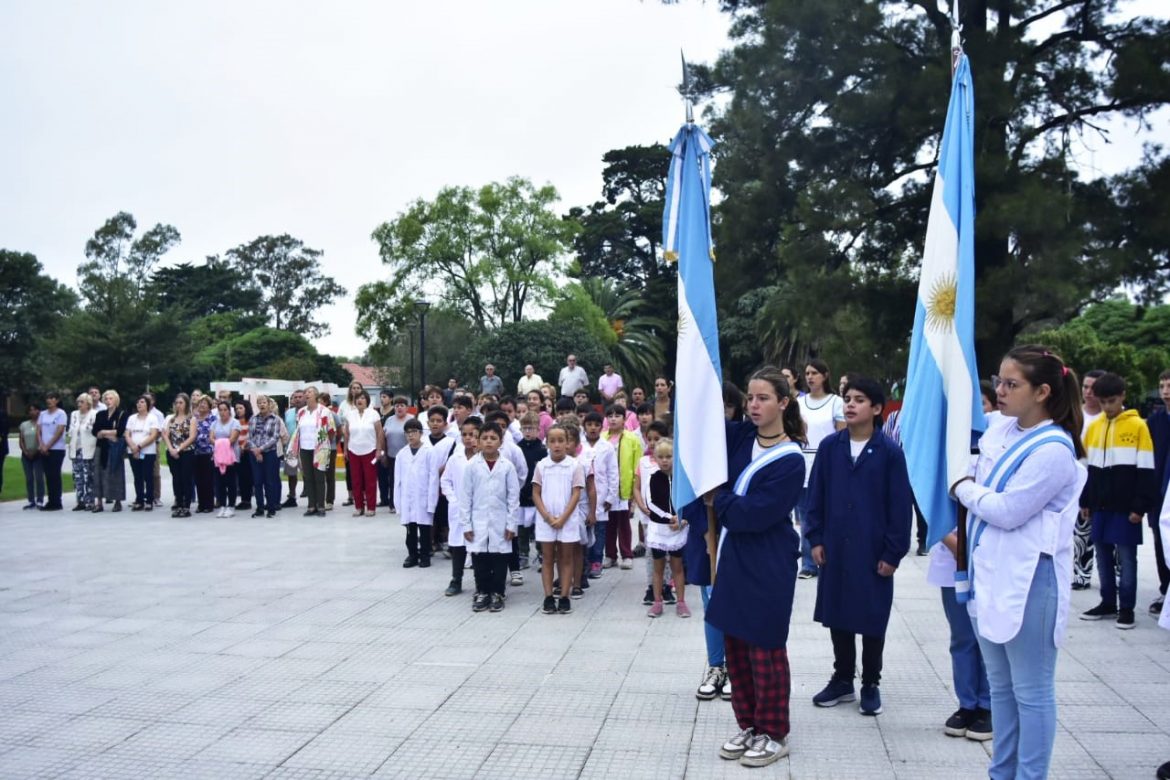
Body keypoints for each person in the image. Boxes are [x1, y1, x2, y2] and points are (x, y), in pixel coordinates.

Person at [950, 346, 1087, 780]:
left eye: (1012, 384)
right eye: (999, 381)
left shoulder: (1054, 449)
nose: (1000, 391)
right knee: (1002, 689)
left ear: (1043, 392)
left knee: (1032, 691)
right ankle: (1001, 772)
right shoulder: (1002, 429)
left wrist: (963, 488)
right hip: (992, 572)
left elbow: (1009, 511)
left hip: (1032, 578)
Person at [706, 366, 806, 768]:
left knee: (765, 646)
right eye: (750, 397)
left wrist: (719, 500)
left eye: (763, 398)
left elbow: (755, 513)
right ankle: (748, 724)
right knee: (736, 645)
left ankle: (774, 731)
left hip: (768, 560)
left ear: (783, 402)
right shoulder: (741, 437)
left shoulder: (792, 459)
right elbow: (703, 433)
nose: (753, 405)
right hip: (734, 555)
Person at [805, 377, 912, 717]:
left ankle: (870, 682)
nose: (850, 405)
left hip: (872, 549)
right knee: (838, 612)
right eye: (847, 399)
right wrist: (815, 538)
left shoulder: (890, 453)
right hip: (835, 546)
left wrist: (893, 552)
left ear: (877, 408)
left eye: (859, 400)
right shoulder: (830, 447)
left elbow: (900, 507)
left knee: (871, 615)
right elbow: (816, 495)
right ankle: (842, 678)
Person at [1078, 372, 1156, 629]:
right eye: (1102, 402)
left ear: (1122, 396)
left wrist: (1140, 506)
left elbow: (1146, 469)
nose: (1107, 407)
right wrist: (1085, 500)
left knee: (1127, 557)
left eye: (1111, 401)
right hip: (1100, 505)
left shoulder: (1138, 426)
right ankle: (1108, 602)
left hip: (1126, 507)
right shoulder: (1094, 427)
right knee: (1102, 555)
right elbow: (1086, 468)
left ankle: (1127, 608)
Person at [461, 422, 520, 613]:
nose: (488, 442)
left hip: (501, 520)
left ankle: (498, 592)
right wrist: (466, 524)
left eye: (493, 438)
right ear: (478, 441)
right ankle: (482, 591)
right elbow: (465, 497)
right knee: (480, 557)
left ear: (500, 442)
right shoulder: (472, 466)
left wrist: (511, 524)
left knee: (499, 557)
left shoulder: (507, 467)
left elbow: (513, 498)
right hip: (477, 519)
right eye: (484, 438)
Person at [796, 359, 846, 579]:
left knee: (830, 514)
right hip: (803, 464)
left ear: (825, 375)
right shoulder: (799, 403)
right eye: (807, 373)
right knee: (806, 516)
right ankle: (808, 563)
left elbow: (842, 435)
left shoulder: (836, 402)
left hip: (828, 464)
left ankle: (831, 557)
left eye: (814, 373)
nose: (810, 377)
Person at [532, 423, 585, 615]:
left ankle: (564, 596)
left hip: (567, 519)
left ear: (568, 443)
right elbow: (536, 493)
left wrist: (563, 518)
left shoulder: (574, 466)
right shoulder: (542, 465)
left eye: (561, 440)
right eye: (552, 441)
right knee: (547, 558)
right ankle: (548, 597)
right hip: (546, 519)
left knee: (566, 558)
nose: (557, 445)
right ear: (547, 443)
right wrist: (547, 516)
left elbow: (576, 493)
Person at [645, 438, 689, 618]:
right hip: (659, 529)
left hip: (678, 528)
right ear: (655, 458)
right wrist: (668, 517)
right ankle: (657, 602)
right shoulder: (653, 478)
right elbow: (650, 503)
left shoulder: (681, 478)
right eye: (661, 457)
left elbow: (689, 499)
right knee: (658, 568)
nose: (665, 460)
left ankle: (681, 602)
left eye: (669, 456)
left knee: (677, 567)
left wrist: (683, 518)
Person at [1072, 368, 1106, 590]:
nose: (1088, 392)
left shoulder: (1112, 416)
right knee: (1081, 532)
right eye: (1085, 387)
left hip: (1104, 478)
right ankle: (1081, 576)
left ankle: (1114, 578)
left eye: (1093, 388)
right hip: (1078, 478)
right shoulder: (1074, 414)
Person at [442, 416, 482, 596]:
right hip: (458, 509)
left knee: (477, 546)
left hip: (478, 509)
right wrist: (453, 500)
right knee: (458, 545)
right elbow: (445, 481)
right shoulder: (455, 458)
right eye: (464, 434)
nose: (468, 438)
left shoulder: (483, 459)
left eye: (472, 435)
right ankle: (456, 579)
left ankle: (480, 582)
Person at [602, 403, 640, 569]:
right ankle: (610, 555)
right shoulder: (602, 438)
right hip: (606, 488)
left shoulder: (632, 439)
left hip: (624, 487)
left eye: (617, 416)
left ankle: (627, 554)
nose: (613, 419)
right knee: (608, 523)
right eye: (610, 416)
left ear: (624, 419)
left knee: (624, 523)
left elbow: (637, 464)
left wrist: (634, 488)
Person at [580, 411, 617, 579]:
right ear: (584, 426)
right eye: (589, 425)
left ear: (602, 427)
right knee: (585, 528)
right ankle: (585, 562)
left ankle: (597, 561)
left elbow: (613, 473)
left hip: (601, 494)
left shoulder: (607, 447)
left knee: (600, 530)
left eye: (596, 425)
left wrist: (611, 497)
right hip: (583, 495)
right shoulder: (579, 445)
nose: (593, 428)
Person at [395, 417, 434, 567]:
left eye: (414, 431)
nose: (411, 435)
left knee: (424, 529)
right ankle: (412, 555)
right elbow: (397, 480)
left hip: (423, 496)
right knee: (410, 529)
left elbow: (433, 478)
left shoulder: (429, 452)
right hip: (407, 497)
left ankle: (425, 555)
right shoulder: (401, 454)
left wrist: (431, 501)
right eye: (407, 432)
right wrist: (398, 502)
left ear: (421, 433)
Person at [1147, 369, 1170, 615]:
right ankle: (1166, 590)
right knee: (1160, 542)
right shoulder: (1155, 421)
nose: (1165, 391)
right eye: (1162, 386)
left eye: (1169, 386)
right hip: (1158, 494)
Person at [344, 390, 385, 517]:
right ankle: (359, 507)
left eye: (362, 398)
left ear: (367, 400)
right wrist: (345, 450)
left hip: (370, 450)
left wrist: (378, 449)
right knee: (356, 480)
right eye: (357, 398)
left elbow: (379, 433)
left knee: (370, 480)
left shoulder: (373, 414)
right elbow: (347, 434)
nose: (359, 400)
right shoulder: (350, 415)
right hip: (353, 450)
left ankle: (371, 507)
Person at [515, 411, 548, 572]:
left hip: (537, 495)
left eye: (531, 428)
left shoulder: (542, 449)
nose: (528, 432)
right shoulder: (517, 448)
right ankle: (523, 554)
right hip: (521, 494)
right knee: (522, 528)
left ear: (538, 430)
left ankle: (542, 555)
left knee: (539, 528)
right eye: (525, 428)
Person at [296, 387, 335, 518]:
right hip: (304, 448)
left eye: (310, 392)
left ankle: (321, 506)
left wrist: (324, 444)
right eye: (305, 392)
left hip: (319, 448)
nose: (306, 394)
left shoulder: (324, 411)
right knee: (308, 477)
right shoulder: (301, 412)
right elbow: (298, 430)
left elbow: (331, 430)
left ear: (316, 395)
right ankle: (311, 505)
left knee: (319, 477)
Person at [247, 395, 283, 518]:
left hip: (269, 453)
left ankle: (271, 508)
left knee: (269, 481)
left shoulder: (275, 419)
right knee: (257, 482)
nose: (262, 405)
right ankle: (260, 508)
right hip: (255, 453)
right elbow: (249, 437)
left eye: (264, 402)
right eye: (259, 403)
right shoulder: (253, 419)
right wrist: (256, 451)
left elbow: (275, 437)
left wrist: (261, 449)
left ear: (268, 404)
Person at [92, 391, 127, 513]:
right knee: (98, 473)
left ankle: (117, 501)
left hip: (115, 448)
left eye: (111, 398)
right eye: (106, 399)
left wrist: (104, 432)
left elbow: (120, 430)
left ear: (116, 400)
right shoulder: (100, 414)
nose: (108, 401)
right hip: (101, 447)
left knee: (115, 472)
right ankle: (99, 502)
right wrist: (108, 433)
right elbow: (95, 430)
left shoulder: (122, 414)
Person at [124, 395, 161, 512]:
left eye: (142, 402)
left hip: (147, 452)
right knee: (137, 476)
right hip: (133, 451)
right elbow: (127, 434)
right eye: (138, 402)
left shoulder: (152, 418)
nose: (139, 404)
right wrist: (133, 447)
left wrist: (139, 446)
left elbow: (153, 435)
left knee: (148, 475)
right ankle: (139, 500)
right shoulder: (132, 418)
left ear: (148, 405)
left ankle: (149, 500)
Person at [164, 394, 196, 518]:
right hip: (173, 452)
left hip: (186, 452)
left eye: (181, 402)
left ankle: (186, 506)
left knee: (186, 478)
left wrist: (179, 448)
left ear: (186, 404)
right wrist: (171, 449)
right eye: (177, 403)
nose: (178, 405)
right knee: (176, 479)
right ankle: (178, 504)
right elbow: (166, 435)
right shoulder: (172, 419)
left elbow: (192, 437)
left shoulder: (191, 419)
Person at [209, 400, 241, 517]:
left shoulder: (235, 423)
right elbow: (211, 438)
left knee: (231, 482)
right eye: (220, 410)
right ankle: (222, 505)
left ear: (229, 411)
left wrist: (218, 442)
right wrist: (219, 442)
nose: (223, 412)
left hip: (231, 457)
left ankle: (231, 506)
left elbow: (232, 439)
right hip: (218, 457)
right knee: (219, 482)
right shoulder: (214, 423)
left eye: (225, 410)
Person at [37, 392, 68, 511]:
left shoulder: (61, 413)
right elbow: (38, 431)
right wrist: (41, 445)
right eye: (47, 398)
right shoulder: (43, 414)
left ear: (57, 400)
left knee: (55, 475)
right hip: (43, 448)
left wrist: (48, 446)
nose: (49, 400)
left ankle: (56, 502)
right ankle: (51, 500)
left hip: (56, 449)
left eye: (52, 398)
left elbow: (59, 432)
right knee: (48, 476)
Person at [67, 393, 97, 511]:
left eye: (82, 402)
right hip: (76, 449)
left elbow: (94, 430)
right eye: (78, 402)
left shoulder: (94, 414)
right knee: (77, 476)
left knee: (88, 475)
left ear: (88, 404)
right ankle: (80, 501)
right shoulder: (74, 414)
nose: (79, 404)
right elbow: (71, 430)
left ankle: (90, 501)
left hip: (88, 448)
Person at [382, 396, 410, 513]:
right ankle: (393, 504)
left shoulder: (411, 419)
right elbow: (383, 437)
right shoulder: (389, 420)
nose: (399, 408)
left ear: (406, 408)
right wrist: (383, 454)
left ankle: (407, 503)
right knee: (393, 481)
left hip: (408, 457)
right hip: (392, 456)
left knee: (407, 481)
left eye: (402, 405)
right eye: (397, 405)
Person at [192, 396, 216, 514]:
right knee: (198, 479)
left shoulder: (213, 419)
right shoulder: (194, 419)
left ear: (209, 406)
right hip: (196, 452)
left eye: (205, 403)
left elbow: (216, 435)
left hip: (209, 452)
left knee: (208, 479)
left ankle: (209, 504)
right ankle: (201, 504)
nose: (202, 405)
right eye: (200, 403)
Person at [19, 403, 45, 510]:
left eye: (34, 409)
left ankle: (40, 500)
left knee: (39, 478)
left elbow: (43, 438)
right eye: (30, 410)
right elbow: (21, 440)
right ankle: (31, 500)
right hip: (26, 455)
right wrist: (25, 452)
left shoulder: (42, 424)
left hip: (38, 454)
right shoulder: (24, 425)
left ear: (39, 411)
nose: (32, 412)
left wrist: (37, 450)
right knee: (29, 478)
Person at [282, 388, 305, 508]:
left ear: (305, 398)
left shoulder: (309, 412)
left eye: (300, 397)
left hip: (305, 447)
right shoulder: (288, 413)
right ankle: (292, 497)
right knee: (291, 473)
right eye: (295, 397)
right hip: (291, 447)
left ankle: (313, 498)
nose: (297, 399)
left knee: (307, 473)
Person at [234, 402, 254, 511]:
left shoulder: (251, 420)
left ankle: (247, 501)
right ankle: (243, 500)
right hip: (237, 452)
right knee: (240, 477)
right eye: (236, 408)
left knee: (248, 477)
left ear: (246, 409)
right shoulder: (234, 421)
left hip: (248, 451)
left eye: (240, 408)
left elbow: (251, 435)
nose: (238, 410)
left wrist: (244, 446)